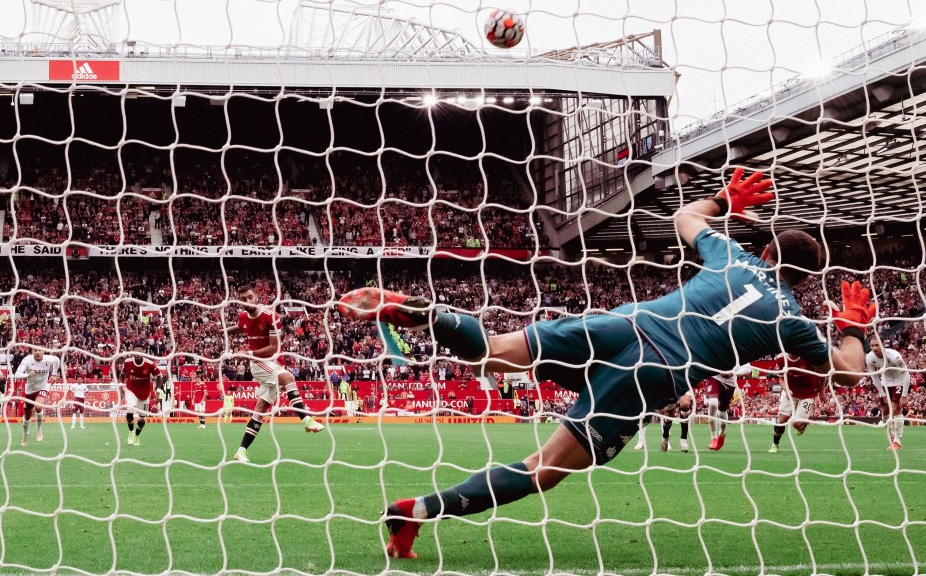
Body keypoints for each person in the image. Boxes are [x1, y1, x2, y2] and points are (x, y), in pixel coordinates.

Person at [336, 169, 873, 559]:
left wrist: (723, 198)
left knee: (493, 351)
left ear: (771, 250)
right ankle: (417, 511)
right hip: (653, 373)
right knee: (541, 470)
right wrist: (852, 326)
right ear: (803, 280)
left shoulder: (732, 255)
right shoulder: (793, 319)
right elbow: (847, 372)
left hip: (622, 323)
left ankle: (425, 313)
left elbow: (685, 216)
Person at [219, 285, 324, 463]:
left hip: (271, 360)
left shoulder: (271, 317)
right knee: (289, 378)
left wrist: (247, 354)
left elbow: (273, 348)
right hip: (259, 365)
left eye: (250, 297)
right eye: (242, 299)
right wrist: (223, 332)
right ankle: (305, 419)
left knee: (260, 409)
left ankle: (241, 451)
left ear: (257, 297)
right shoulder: (243, 316)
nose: (247, 301)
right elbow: (241, 327)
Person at [770, 354, 826, 453]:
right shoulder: (780, 359)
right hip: (790, 392)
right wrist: (786, 390)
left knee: (796, 424)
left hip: (808, 393)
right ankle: (775, 444)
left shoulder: (809, 356)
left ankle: (803, 425)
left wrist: (822, 392)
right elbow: (781, 379)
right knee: (782, 420)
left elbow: (822, 374)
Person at [865, 336, 910, 450]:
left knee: (895, 408)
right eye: (872, 346)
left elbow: (906, 374)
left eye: (877, 345)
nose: (874, 348)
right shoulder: (869, 358)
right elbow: (874, 377)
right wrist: (883, 394)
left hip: (899, 380)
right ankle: (890, 433)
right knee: (885, 410)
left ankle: (897, 441)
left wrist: (904, 395)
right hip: (885, 382)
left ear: (883, 344)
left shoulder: (895, 356)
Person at [14, 348, 62, 447]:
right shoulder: (27, 360)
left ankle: (39, 429)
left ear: (43, 352)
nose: (38, 352)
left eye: (40, 350)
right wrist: (27, 375)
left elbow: (57, 360)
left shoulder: (48, 359)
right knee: (27, 417)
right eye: (35, 351)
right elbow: (17, 375)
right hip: (30, 390)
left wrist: (54, 374)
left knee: (38, 406)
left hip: (43, 387)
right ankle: (25, 435)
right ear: (32, 352)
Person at [118, 343, 161, 446]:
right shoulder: (127, 362)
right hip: (131, 390)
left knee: (142, 418)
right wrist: (120, 386)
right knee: (130, 409)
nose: (137, 353)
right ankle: (131, 432)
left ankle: (137, 436)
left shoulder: (150, 364)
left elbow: (159, 377)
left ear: (143, 353)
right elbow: (122, 375)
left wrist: (158, 392)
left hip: (145, 393)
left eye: (140, 351)